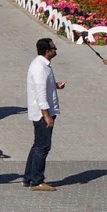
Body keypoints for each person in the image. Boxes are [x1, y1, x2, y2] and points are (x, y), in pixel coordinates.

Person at [23, 37, 63, 191]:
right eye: (54, 48)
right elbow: (40, 93)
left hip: (41, 112)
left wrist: (55, 86)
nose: (56, 49)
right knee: (43, 147)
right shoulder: (40, 67)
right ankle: (37, 181)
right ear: (47, 51)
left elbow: (43, 86)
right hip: (42, 114)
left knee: (37, 145)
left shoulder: (42, 64)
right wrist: (46, 115)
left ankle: (28, 177)